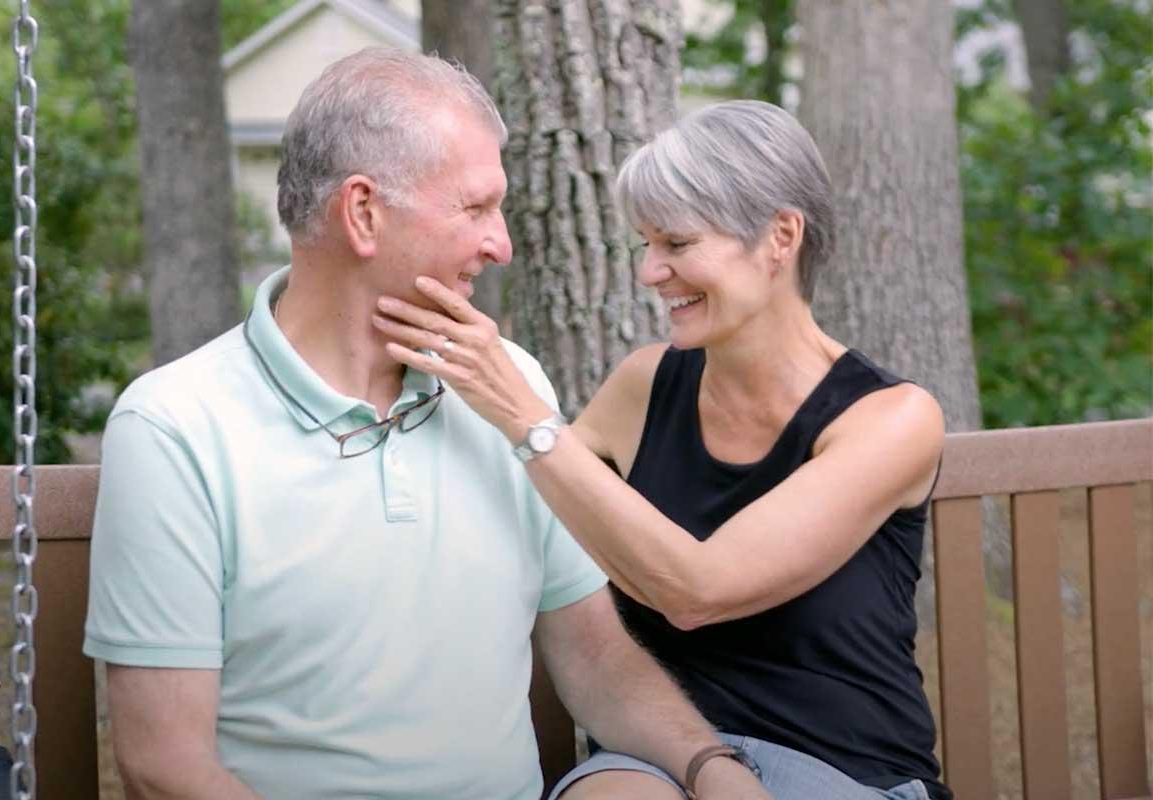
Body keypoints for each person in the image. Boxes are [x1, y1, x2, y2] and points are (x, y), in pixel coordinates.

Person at [82, 50, 771, 800]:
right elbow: (164, 765)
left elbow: (597, 656)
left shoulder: (508, 386)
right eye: (475, 208)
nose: (500, 244)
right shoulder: (176, 426)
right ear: (363, 213)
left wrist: (711, 768)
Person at [374, 99, 953, 800]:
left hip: (844, 772)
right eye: (645, 245)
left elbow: (698, 591)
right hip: (659, 759)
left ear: (780, 237)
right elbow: (522, 493)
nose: (650, 271)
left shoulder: (890, 421)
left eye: (676, 245)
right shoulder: (644, 386)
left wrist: (523, 413)